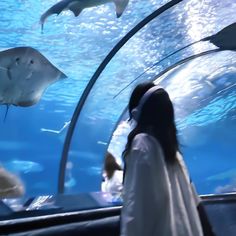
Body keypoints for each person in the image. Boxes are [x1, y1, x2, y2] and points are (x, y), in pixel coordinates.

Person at [120, 82, 204, 236]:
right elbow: (194, 201)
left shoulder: (143, 144)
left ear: (137, 111)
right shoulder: (174, 152)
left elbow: (137, 205)